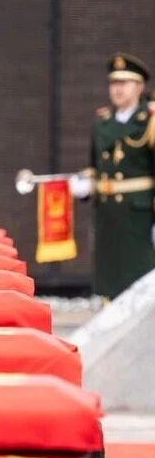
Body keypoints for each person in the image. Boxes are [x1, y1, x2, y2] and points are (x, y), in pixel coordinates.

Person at [70, 53, 155, 299]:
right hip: (107, 213)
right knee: (111, 279)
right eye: (113, 83)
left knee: (138, 278)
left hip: (138, 214)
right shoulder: (102, 121)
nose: (117, 89)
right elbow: (94, 166)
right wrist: (85, 183)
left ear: (139, 86)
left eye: (124, 83)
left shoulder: (149, 121)